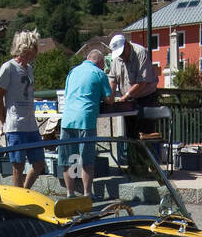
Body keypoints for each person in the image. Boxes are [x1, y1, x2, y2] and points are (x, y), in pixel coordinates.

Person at [0, 30, 45, 189]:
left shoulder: (29, 68)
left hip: (31, 124)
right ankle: (18, 200)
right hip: (15, 125)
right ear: (27, 48)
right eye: (34, 47)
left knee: (39, 163)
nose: (36, 51)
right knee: (18, 166)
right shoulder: (8, 67)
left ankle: (24, 191)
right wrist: (4, 122)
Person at [59, 51, 112, 198]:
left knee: (71, 159)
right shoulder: (99, 74)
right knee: (87, 159)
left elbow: (68, 94)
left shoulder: (72, 72)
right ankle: (87, 194)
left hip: (68, 119)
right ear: (100, 62)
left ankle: (70, 193)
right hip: (85, 119)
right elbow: (110, 99)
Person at [107, 32, 159, 173]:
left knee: (145, 133)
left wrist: (127, 95)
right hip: (128, 99)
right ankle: (135, 166)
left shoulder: (141, 53)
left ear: (128, 46)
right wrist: (110, 95)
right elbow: (112, 78)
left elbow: (143, 82)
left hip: (146, 97)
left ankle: (150, 167)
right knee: (131, 134)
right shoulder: (117, 59)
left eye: (123, 52)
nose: (122, 56)